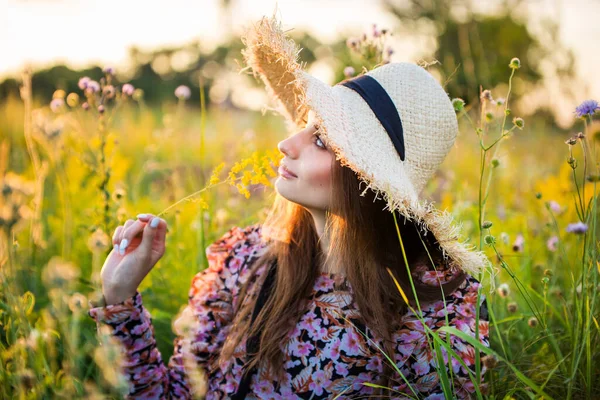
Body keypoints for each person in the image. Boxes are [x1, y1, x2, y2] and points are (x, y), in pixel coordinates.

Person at [87, 12, 492, 399]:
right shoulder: (246, 260)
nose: (287, 144)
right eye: (307, 124)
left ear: (367, 179)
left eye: (321, 140)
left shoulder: (435, 319)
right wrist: (119, 296)